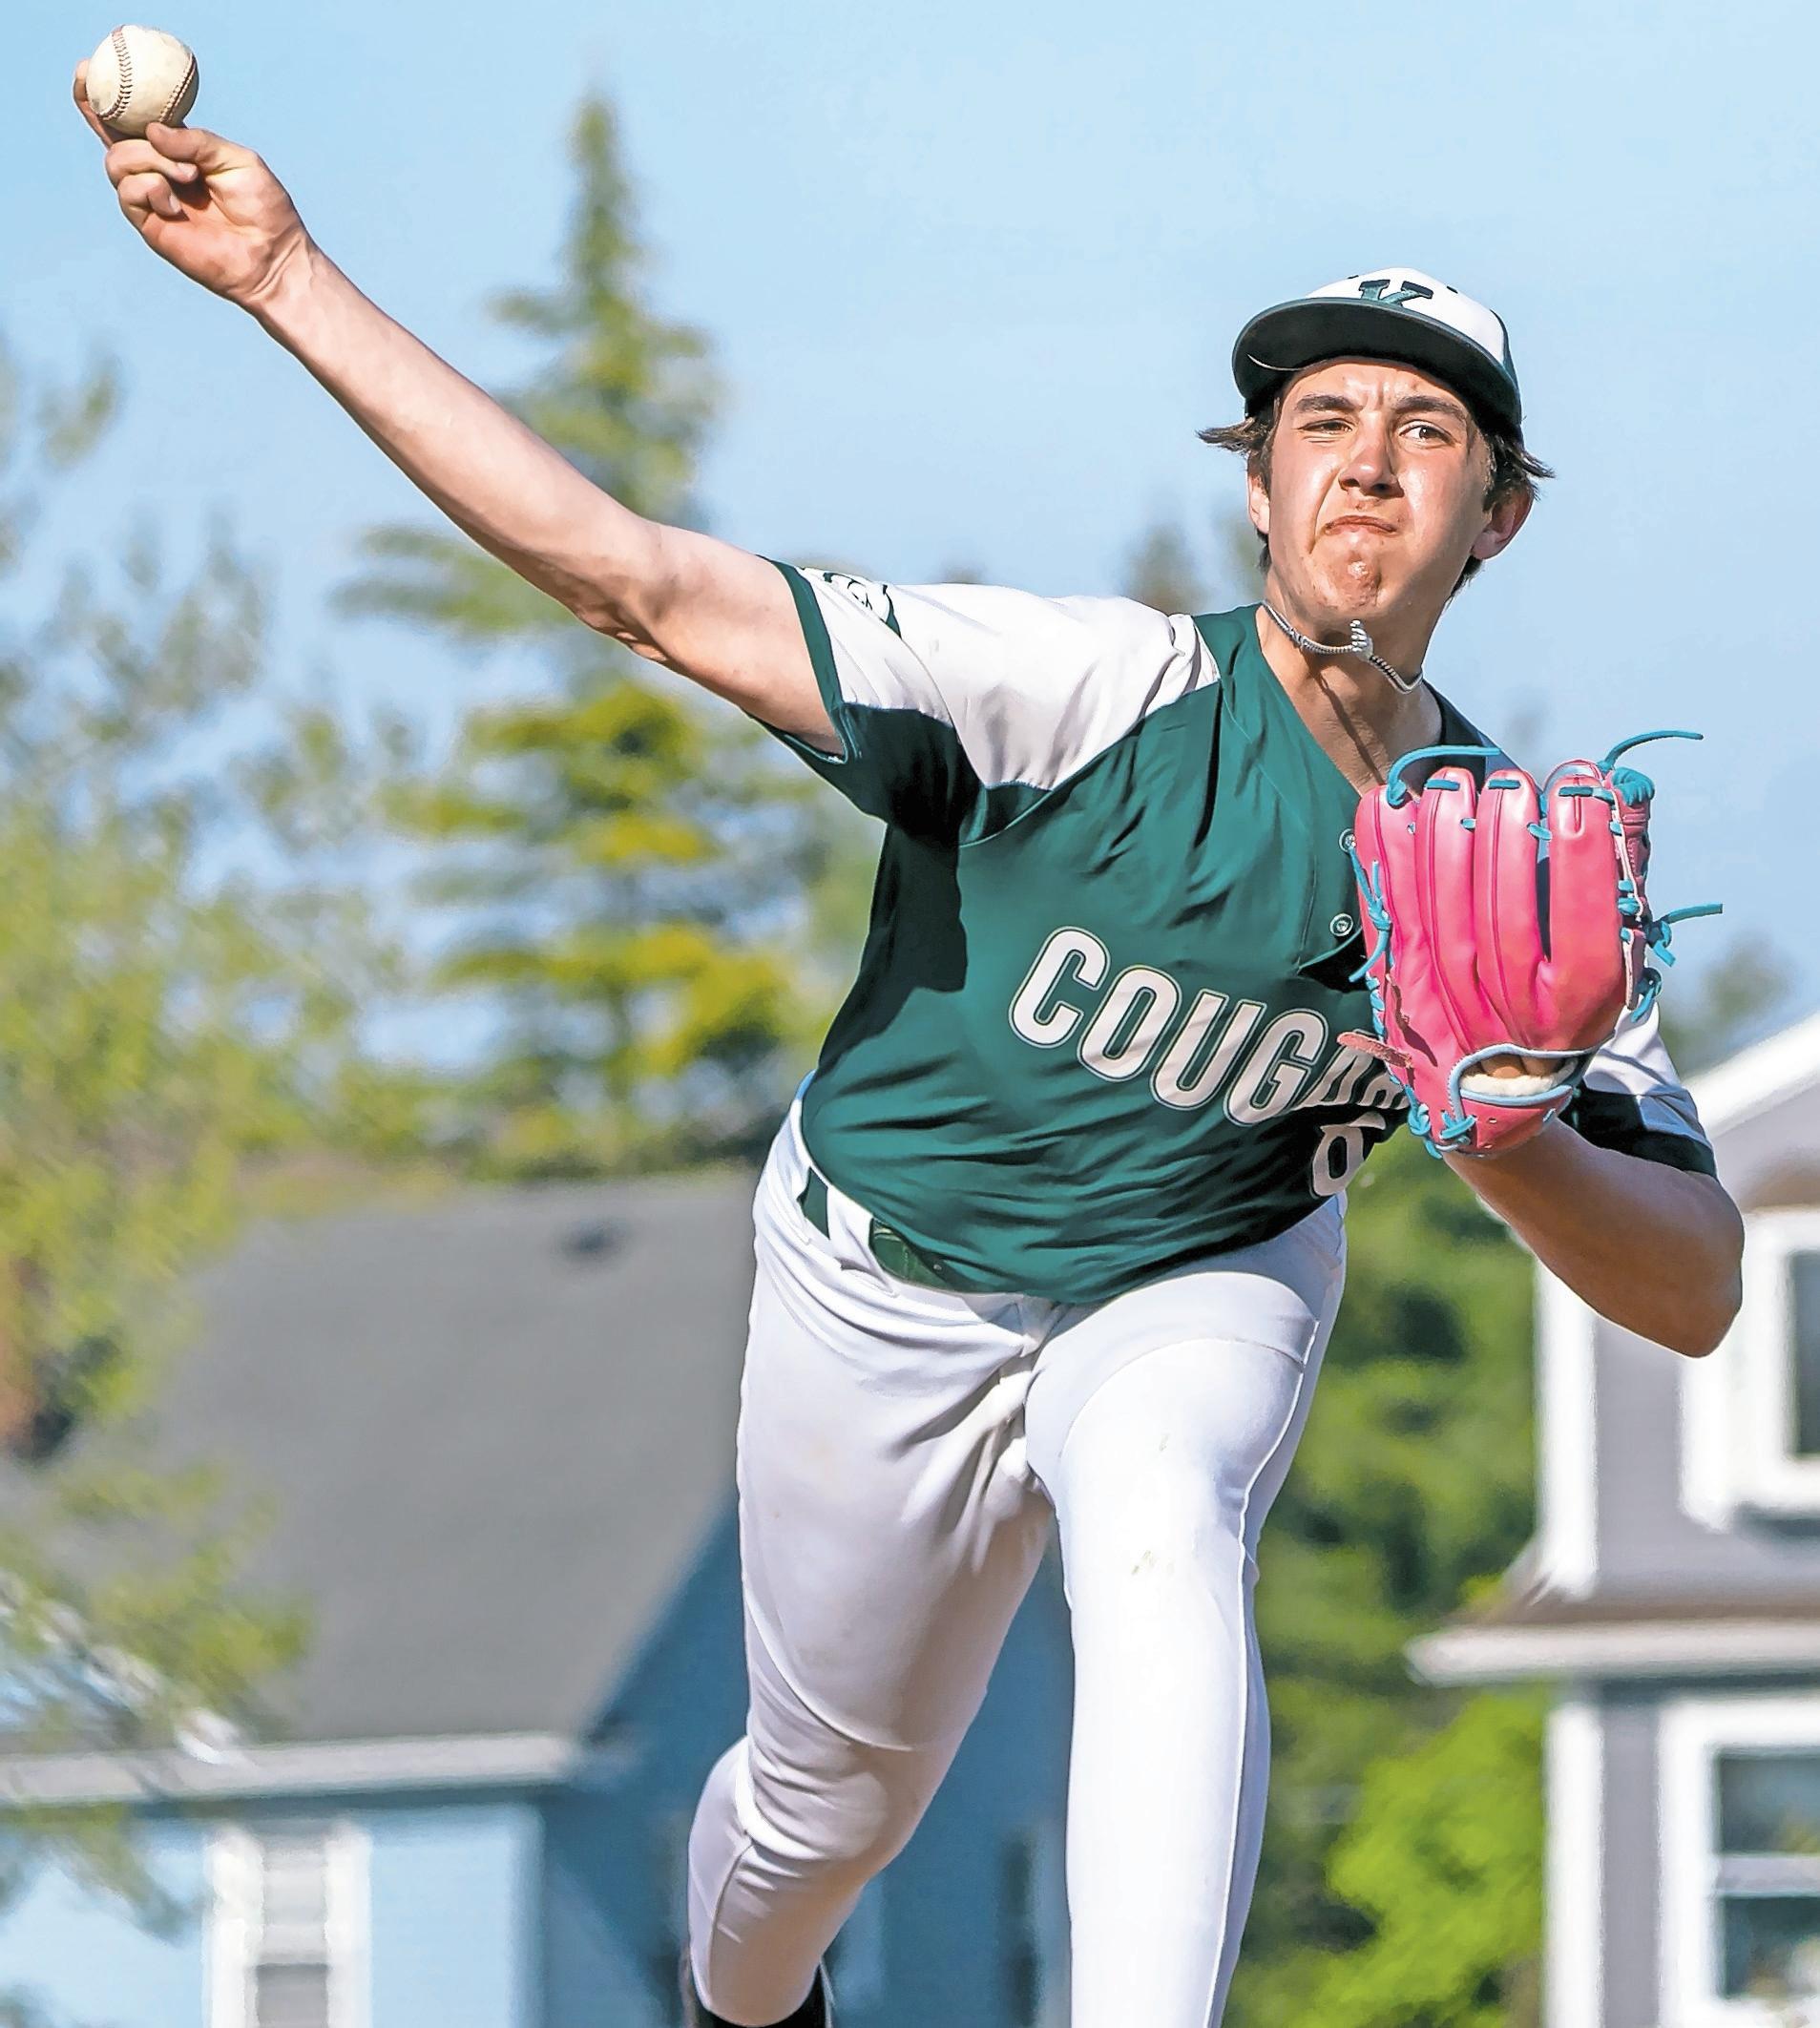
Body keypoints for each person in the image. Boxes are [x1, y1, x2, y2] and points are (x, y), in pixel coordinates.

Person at [74, 83, 1746, 2028]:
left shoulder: (1525, 885)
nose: (1368, 464)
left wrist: (1509, 1136)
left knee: (1167, 1527)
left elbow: (1699, 1291)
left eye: (1429, 430)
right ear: (1258, 485)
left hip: (1197, 1274)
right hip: (886, 1274)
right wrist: (285, 275)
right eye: (1323, 421)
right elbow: (640, 582)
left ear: (1499, 512)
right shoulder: (1082, 692)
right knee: (823, 1815)